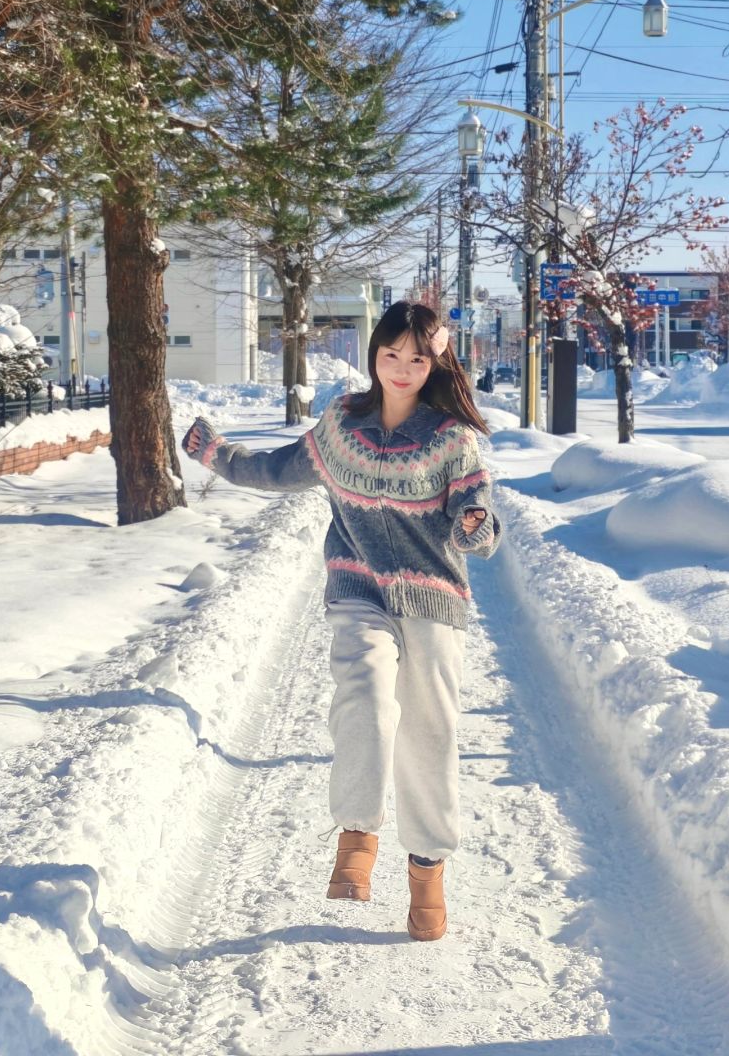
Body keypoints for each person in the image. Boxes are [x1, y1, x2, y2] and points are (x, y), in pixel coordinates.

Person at [181, 301, 502, 941]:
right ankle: (357, 832)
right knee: (365, 695)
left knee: (429, 730)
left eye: (417, 357)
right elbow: (276, 470)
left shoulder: (452, 438)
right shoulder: (341, 428)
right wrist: (217, 453)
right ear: (373, 356)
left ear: (433, 360)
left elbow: (479, 514)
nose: (403, 368)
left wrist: (474, 525)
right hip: (358, 584)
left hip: (433, 594)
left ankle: (427, 867)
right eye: (391, 355)